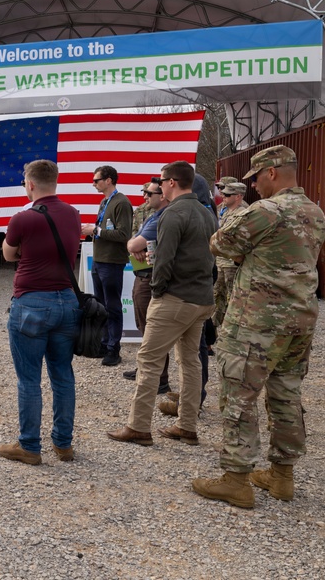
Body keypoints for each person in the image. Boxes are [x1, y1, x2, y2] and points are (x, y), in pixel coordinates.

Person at [193, 146, 325, 508]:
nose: (253, 187)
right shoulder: (315, 212)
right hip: (299, 321)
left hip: (257, 322)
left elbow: (219, 243)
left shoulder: (265, 211)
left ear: (272, 173)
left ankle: (236, 480)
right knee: (286, 394)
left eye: (255, 179)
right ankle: (282, 476)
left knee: (240, 395)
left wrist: (243, 252)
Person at [108, 161, 215, 448]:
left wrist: (156, 292)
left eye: (162, 180)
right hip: (201, 298)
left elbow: (164, 262)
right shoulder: (207, 214)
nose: (159, 185)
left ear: (171, 182)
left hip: (175, 298)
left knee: (149, 361)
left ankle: (139, 426)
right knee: (190, 362)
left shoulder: (172, 213)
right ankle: (187, 425)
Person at [0, 160, 81, 465]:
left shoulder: (23, 218)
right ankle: (64, 443)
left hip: (32, 302)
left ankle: (30, 445)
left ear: (30, 184)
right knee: (62, 375)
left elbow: (8, 255)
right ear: (55, 181)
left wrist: (24, 249)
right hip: (67, 301)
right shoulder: (73, 214)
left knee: (29, 378)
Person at [121, 179, 172, 395]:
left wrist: (135, 247)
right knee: (145, 326)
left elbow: (133, 244)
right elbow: (133, 241)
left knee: (153, 329)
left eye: (149, 194)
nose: (145, 198)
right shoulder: (151, 215)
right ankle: (148, 370)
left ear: (162, 196)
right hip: (142, 273)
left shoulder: (163, 216)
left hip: (150, 277)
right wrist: (135, 248)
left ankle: (159, 378)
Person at [81, 165, 133, 367]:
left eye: (97, 180)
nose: (94, 183)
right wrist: (94, 230)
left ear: (109, 180)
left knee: (112, 306)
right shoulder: (105, 201)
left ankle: (114, 348)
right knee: (101, 306)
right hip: (99, 259)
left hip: (112, 262)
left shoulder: (121, 203)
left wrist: (96, 230)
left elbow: (123, 234)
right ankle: (104, 344)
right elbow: (104, 228)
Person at [212, 181, 247, 330]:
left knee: (233, 298)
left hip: (231, 264)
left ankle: (233, 329)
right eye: (223, 193)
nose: (223, 196)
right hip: (220, 262)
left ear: (238, 196)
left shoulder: (243, 213)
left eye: (227, 194)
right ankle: (214, 329)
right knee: (216, 296)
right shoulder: (224, 211)